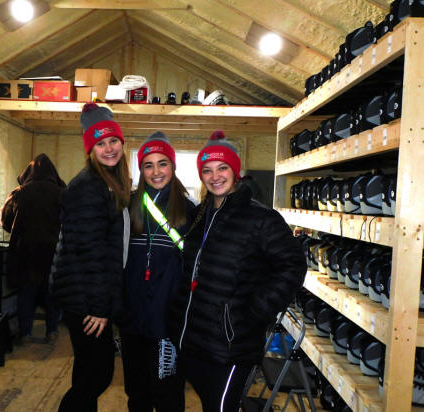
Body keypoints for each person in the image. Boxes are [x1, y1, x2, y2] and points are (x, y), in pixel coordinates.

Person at [169, 131, 306, 412]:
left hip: (231, 347)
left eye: (222, 168)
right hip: (194, 342)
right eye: (207, 170)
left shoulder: (261, 218)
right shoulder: (199, 216)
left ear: (235, 171)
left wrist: (255, 311)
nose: (215, 176)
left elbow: (293, 265)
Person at [50, 103, 131, 412]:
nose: (109, 148)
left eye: (113, 141)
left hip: (87, 295)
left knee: (87, 372)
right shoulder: (87, 187)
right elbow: (90, 253)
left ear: (121, 142)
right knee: (97, 375)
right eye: (100, 144)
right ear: (90, 149)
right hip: (85, 299)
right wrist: (98, 308)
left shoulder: (109, 183)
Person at [121, 132, 195, 412]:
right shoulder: (128, 207)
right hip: (132, 319)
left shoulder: (189, 211)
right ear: (141, 170)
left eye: (162, 163)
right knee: (137, 393)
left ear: (173, 167)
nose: (156, 172)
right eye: (148, 165)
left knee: (168, 396)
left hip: (168, 322)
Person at [0, 153, 66, 344]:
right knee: (51, 292)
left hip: (26, 251)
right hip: (54, 251)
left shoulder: (20, 192)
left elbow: (6, 220)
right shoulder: (62, 193)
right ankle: (52, 330)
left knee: (26, 291)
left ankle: (26, 333)